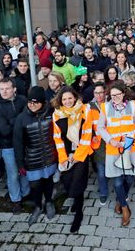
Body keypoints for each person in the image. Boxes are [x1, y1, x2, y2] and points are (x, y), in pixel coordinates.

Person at [96, 81, 135, 227]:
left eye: (118, 94)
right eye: (112, 95)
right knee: (117, 182)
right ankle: (124, 207)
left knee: (129, 178)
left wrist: (128, 141)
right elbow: (100, 127)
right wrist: (110, 140)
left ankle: (120, 199)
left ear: (124, 93)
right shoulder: (105, 107)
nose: (115, 97)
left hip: (129, 148)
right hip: (114, 149)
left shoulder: (133, 105)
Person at [13, 86, 58, 225]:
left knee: (49, 181)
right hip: (32, 160)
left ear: (43, 102)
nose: (32, 105)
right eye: (30, 102)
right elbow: (18, 142)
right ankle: (38, 206)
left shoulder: (51, 113)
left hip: (50, 157)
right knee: (35, 186)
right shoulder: (21, 118)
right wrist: (20, 163)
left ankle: (49, 202)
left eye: (35, 102)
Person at [52, 86, 93, 232]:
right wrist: (63, 157)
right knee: (68, 181)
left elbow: (87, 134)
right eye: (64, 99)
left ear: (75, 97)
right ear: (60, 100)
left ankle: (79, 213)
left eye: (70, 98)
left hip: (81, 153)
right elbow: (57, 138)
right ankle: (76, 199)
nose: (68, 101)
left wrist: (77, 157)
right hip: (66, 154)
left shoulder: (85, 111)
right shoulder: (57, 114)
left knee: (78, 182)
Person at [0, 78, 30, 214]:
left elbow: (29, 119)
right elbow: (5, 130)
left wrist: (13, 121)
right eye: (1, 89)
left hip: (25, 142)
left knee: (25, 170)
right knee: (13, 174)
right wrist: (19, 118)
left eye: (7, 88)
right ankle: (15, 199)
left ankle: (26, 193)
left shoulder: (23, 100)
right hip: (8, 146)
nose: (4, 91)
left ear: (14, 89)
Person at [88, 82, 109, 205]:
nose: (99, 95)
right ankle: (103, 192)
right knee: (101, 172)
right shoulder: (89, 107)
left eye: (101, 92)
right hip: (98, 144)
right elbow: (86, 126)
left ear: (105, 92)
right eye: (96, 93)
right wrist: (92, 136)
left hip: (111, 142)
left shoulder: (111, 105)